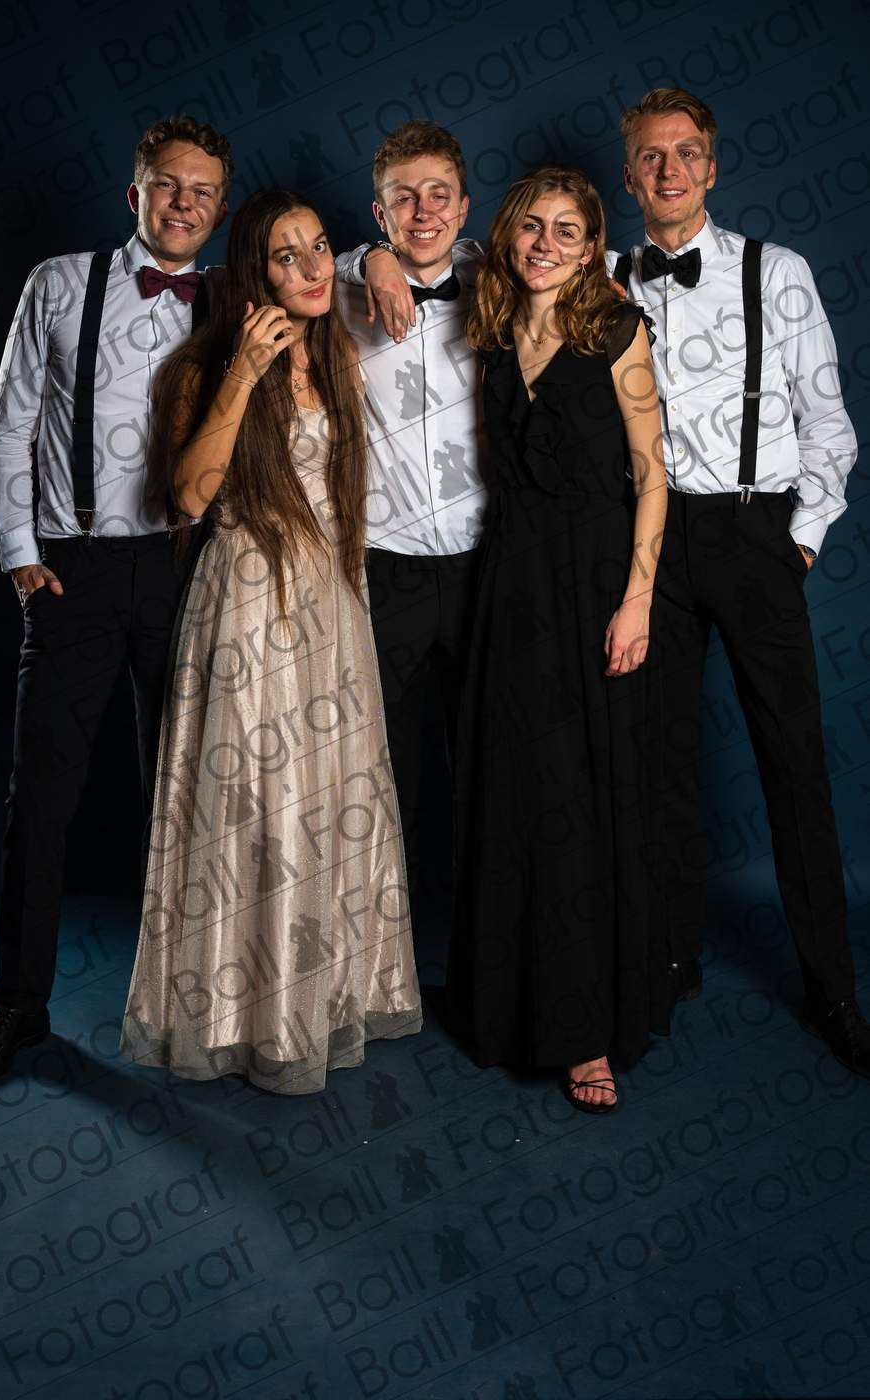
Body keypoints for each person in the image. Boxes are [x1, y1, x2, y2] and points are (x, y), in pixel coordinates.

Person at [119, 190, 421, 1094]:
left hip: (332, 599)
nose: (313, 267)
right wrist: (245, 371)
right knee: (255, 807)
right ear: (254, 273)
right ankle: (238, 1015)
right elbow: (187, 498)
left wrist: (373, 255)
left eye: (320, 247)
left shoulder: (337, 353)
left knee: (329, 799)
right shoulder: (201, 367)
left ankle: (320, 995)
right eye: (288, 256)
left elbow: (397, 259)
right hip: (248, 604)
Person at [0, 116, 232, 1093]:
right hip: (72, 571)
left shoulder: (235, 297)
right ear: (135, 193)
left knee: (190, 795)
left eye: (203, 191)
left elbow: (335, 274)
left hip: (186, 570)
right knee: (41, 798)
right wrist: (20, 552)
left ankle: (195, 1007)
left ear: (220, 207)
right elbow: (10, 427)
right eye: (168, 185)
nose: (184, 204)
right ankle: (20, 1005)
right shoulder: (59, 282)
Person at [612, 86, 870, 1076]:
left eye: (685, 153)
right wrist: (373, 257)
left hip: (755, 533)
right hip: (650, 543)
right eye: (650, 155)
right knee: (661, 761)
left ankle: (832, 988)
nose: (669, 169)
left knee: (794, 767)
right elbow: (476, 278)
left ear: (712, 168)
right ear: (627, 174)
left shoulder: (780, 271)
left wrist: (796, 541)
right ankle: (672, 956)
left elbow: (828, 425)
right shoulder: (597, 276)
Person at [447, 166, 670, 1112]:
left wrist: (637, 602)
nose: (545, 243)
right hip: (509, 584)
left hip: (593, 586)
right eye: (531, 226)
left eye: (566, 230)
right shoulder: (493, 329)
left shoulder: (617, 328)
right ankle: (506, 1010)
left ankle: (585, 1031)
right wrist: (372, 256)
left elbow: (651, 474)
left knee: (581, 800)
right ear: (508, 235)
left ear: (590, 249)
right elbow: (404, 251)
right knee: (513, 791)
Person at [332, 120, 487, 916]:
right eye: (403, 199)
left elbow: (577, 254)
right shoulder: (339, 291)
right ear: (379, 212)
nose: (422, 212)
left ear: (463, 207)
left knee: (488, 771)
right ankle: (375, 955)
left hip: (482, 566)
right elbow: (271, 264)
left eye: (437, 195)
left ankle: (483, 958)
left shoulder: (502, 278)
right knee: (377, 771)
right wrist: (366, 259)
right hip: (380, 565)